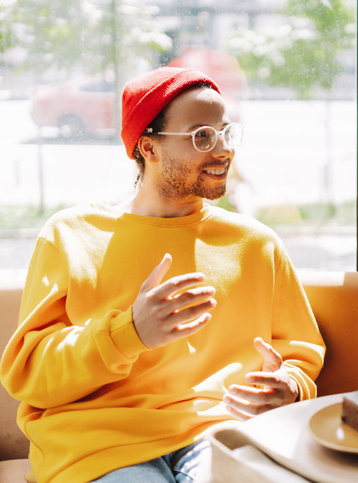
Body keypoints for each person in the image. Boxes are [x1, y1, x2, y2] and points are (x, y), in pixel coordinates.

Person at [0, 67, 325, 483]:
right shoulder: (71, 235)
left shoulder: (255, 243)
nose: (223, 150)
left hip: (218, 434)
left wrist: (290, 385)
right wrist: (129, 333)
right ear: (149, 148)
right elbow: (30, 376)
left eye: (226, 133)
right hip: (98, 445)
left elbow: (300, 352)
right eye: (201, 136)